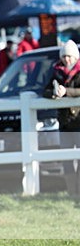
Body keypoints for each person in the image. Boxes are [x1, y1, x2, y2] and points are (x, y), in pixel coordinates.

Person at [43, 39, 80, 196]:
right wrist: (54, 93)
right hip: (64, 122)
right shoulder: (56, 72)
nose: (67, 59)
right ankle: (72, 191)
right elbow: (44, 90)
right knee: (66, 160)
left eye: (70, 56)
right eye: (64, 56)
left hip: (78, 120)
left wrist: (67, 92)